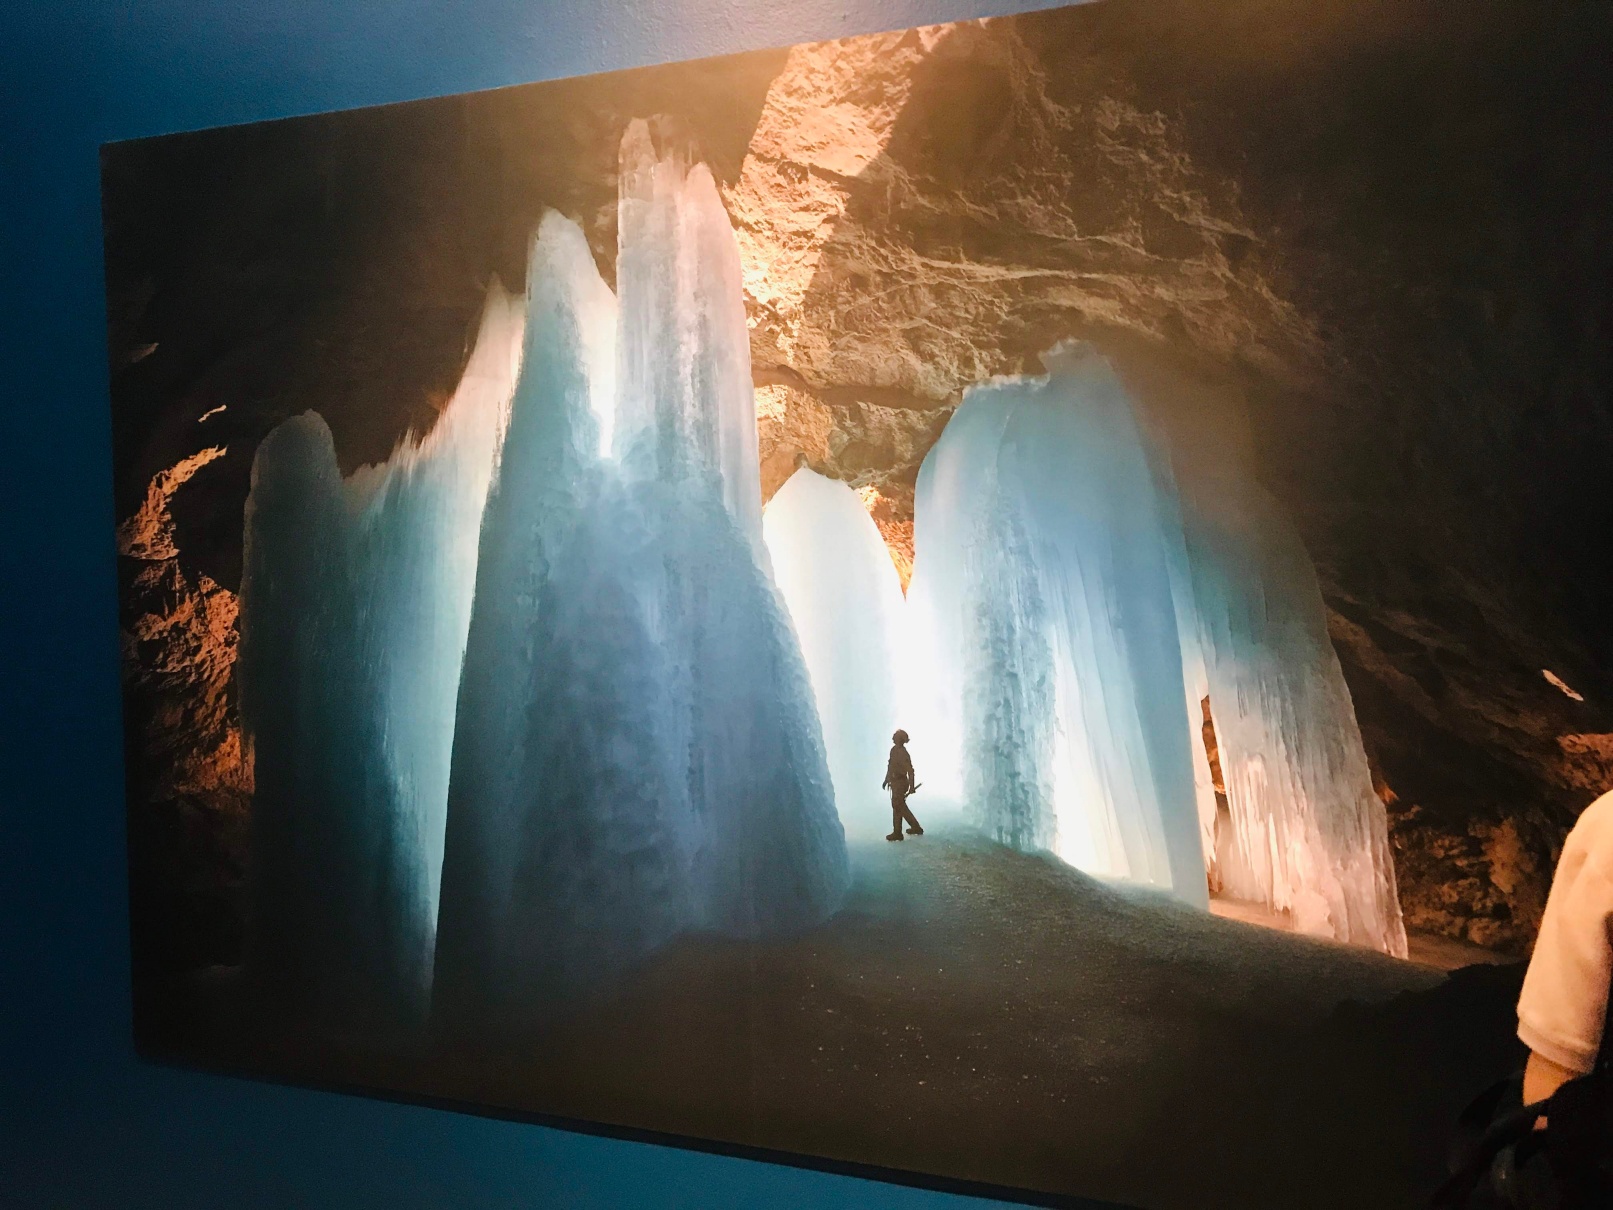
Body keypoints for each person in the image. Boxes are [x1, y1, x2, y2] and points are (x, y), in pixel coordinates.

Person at [883, 729, 923, 842]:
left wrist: (912, 786)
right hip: (895, 782)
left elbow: (910, 771)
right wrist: (887, 779)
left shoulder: (903, 753)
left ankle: (903, 831)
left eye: (895, 736)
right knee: (898, 806)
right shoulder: (893, 750)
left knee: (899, 806)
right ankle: (902, 831)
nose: (893, 737)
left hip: (901, 783)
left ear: (900, 739)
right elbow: (890, 766)